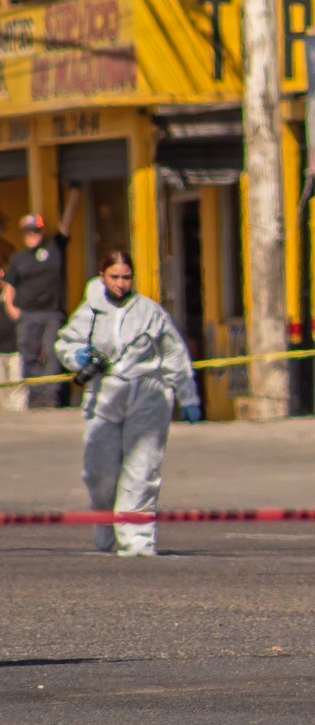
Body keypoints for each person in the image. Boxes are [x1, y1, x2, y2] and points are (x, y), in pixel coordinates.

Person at [55, 250, 203, 557]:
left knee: (142, 468)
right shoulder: (91, 311)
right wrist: (76, 357)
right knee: (99, 473)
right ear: (102, 276)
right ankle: (105, 524)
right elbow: (65, 342)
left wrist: (188, 396)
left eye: (126, 277)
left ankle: (138, 538)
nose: (121, 283)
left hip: (148, 395)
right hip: (105, 396)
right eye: (114, 277)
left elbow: (174, 353)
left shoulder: (150, 312)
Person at [7, 185, 80, 407]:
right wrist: (11, 308)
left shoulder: (55, 248)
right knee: (28, 355)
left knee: (52, 352)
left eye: (36, 231)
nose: (32, 235)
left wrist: (74, 197)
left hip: (51, 313)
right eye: (28, 232)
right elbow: (10, 284)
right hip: (27, 313)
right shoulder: (19, 258)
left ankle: (50, 395)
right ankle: (35, 395)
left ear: (42, 230)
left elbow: (66, 226)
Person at [0, 262, 26, 411]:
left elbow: (19, 316)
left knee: (18, 387)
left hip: (17, 349)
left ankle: (20, 419)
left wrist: (9, 302)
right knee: (2, 390)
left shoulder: (14, 292)